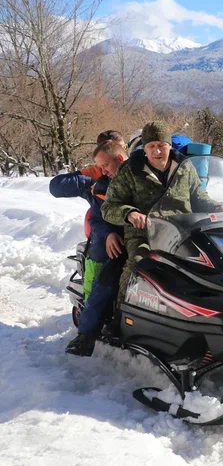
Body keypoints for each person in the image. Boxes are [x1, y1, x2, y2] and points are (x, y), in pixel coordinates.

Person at [102, 121, 219, 309]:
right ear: (145, 149)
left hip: (184, 233)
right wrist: (130, 214)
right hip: (145, 235)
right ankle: (121, 314)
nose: (157, 151)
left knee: (212, 263)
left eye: (161, 145)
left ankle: (206, 310)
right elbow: (108, 207)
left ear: (169, 146)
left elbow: (199, 197)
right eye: (152, 146)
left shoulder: (185, 167)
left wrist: (220, 208)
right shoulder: (130, 171)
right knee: (138, 265)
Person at [65, 140, 129, 356]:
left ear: (119, 159)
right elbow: (97, 219)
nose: (102, 171)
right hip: (120, 240)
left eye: (105, 166)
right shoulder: (103, 185)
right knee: (108, 277)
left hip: (157, 235)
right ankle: (86, 334)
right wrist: (109, 234)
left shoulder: (143, 173)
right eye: (100, 167)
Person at [50, 131, 125, 299]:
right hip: (103, 228)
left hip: (131, 228)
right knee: (99, 257)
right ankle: (91, 300)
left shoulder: (132, 163)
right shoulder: (99, 171)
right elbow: (56, 186)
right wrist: (91, 183)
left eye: (123, 148)